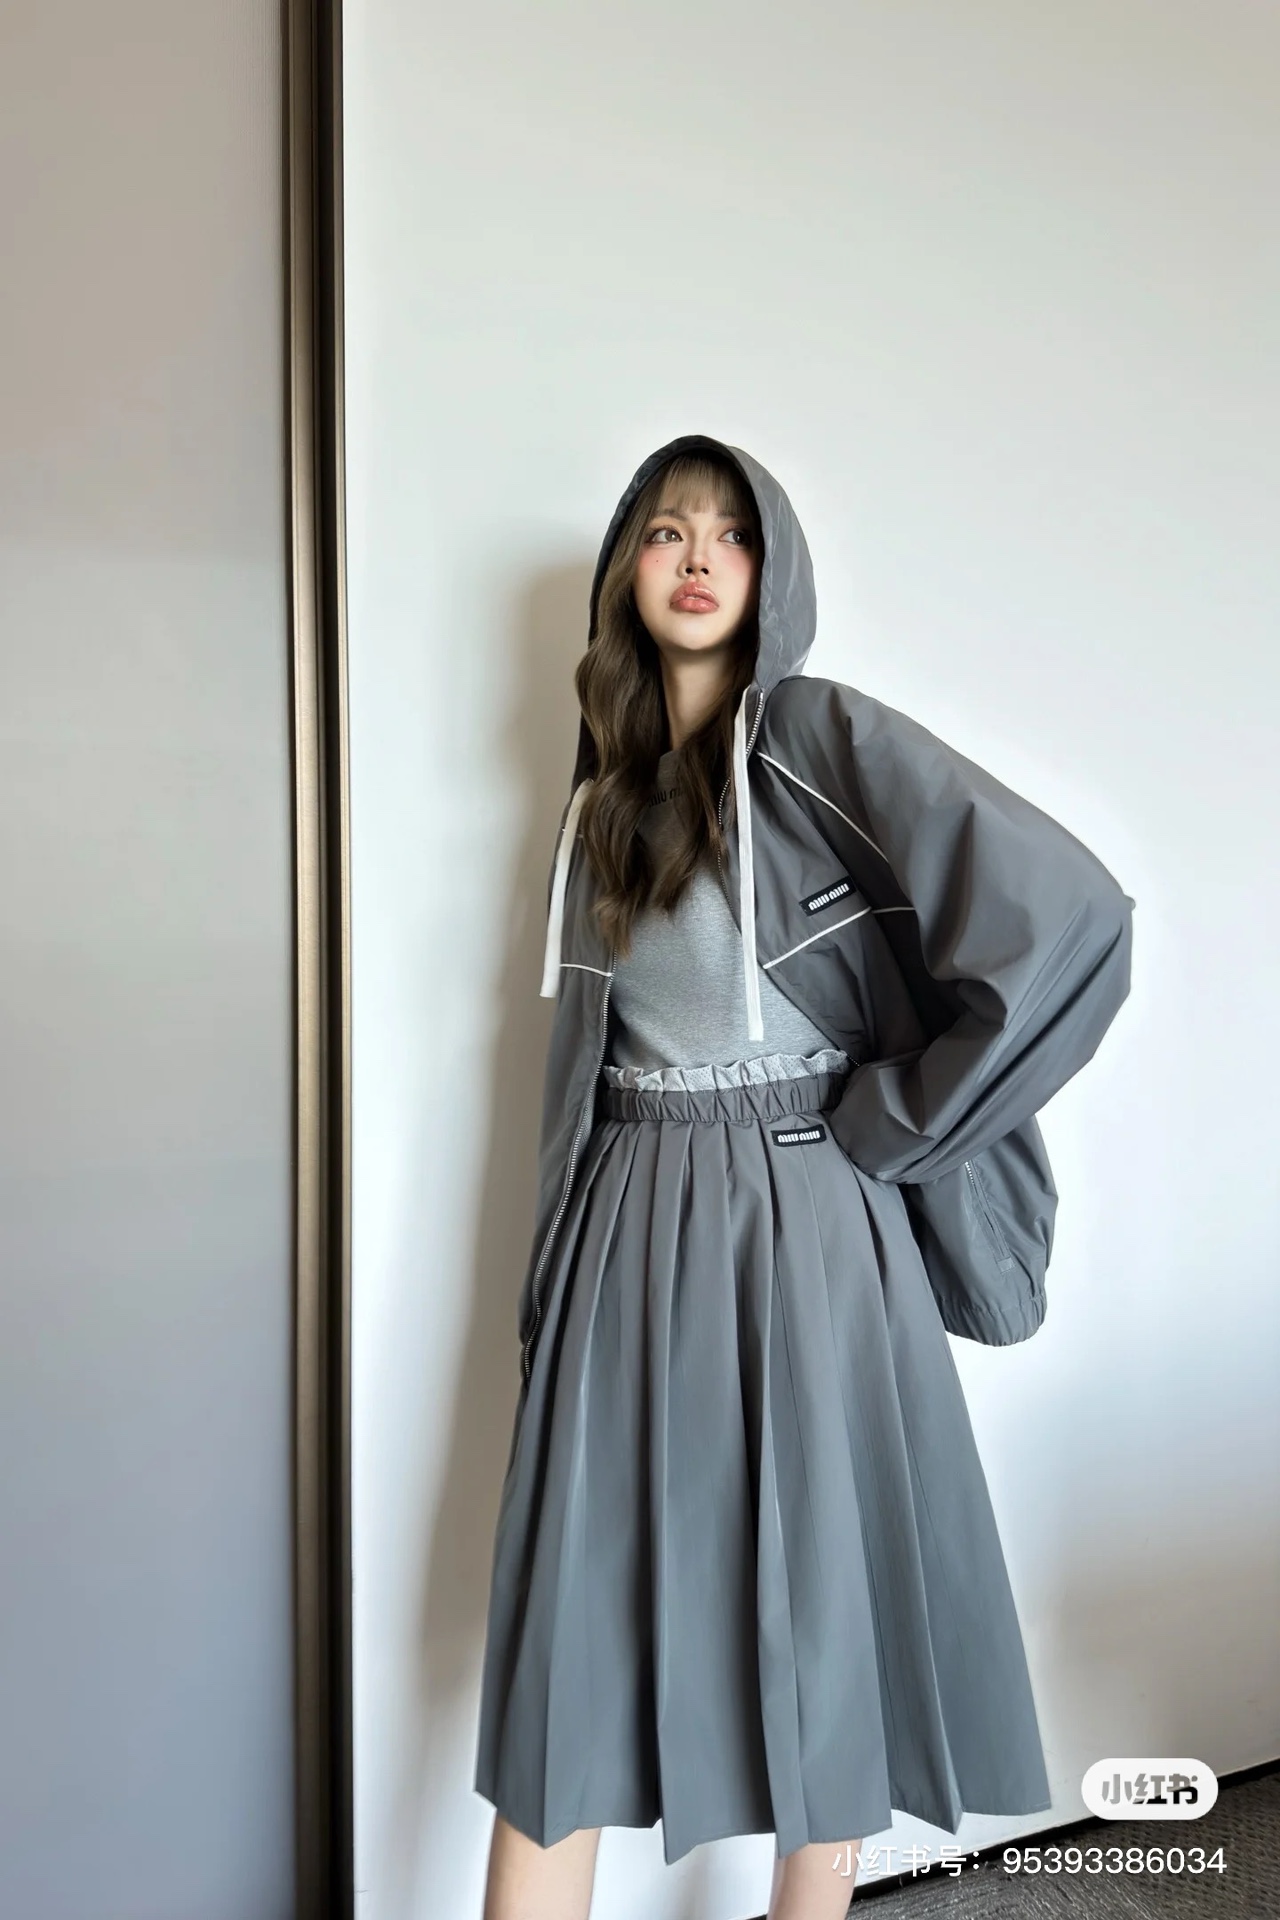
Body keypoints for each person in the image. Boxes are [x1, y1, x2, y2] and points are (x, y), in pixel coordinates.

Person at [472, 434, 1134, 1920]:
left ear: (772, 569)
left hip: (806, 1211)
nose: (698, 556)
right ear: (626, 574)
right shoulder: (600, 800)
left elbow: (1075, 922)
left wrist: (898, 1117)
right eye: (664, 531)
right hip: (625, 1218)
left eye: (730, 532)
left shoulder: (818, 734)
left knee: (820, 1610)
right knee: (572, 1644)